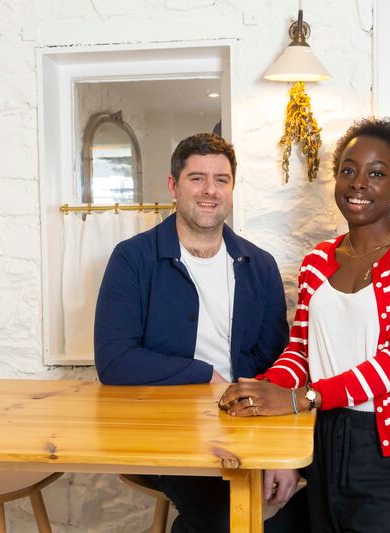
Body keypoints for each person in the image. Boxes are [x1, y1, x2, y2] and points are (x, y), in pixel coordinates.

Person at [219, 118, 390, 533]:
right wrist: (261, 390)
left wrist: (300, 398)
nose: (358, 183)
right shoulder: (316, 261)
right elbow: (301, 351)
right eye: (348, 170)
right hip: (324, 433)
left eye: (376, 173)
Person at [94, 133, 309, 533]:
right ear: (173, 185)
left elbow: (276, 364)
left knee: (329, 494)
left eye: (221, 179)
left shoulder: (259, 265)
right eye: (197, 178)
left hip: (245, 419)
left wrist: (277, 452)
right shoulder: (133, 258)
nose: (210, 190)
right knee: (220, 519)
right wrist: (204, 374)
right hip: (164, 430)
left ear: (231, 188)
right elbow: (115, 361)